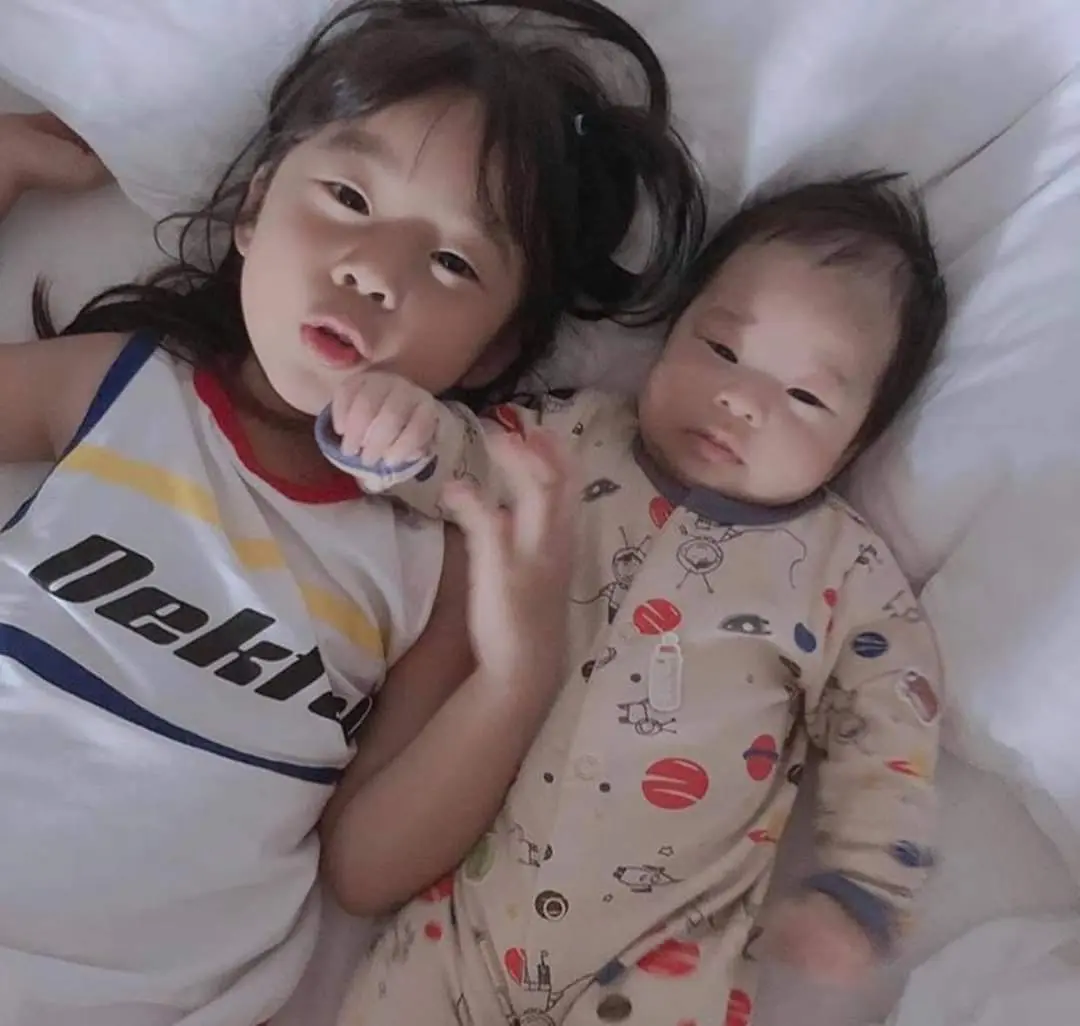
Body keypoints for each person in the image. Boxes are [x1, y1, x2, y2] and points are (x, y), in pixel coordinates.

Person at [0, 1, 706, 1023]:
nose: (374, 271)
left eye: (454, 262)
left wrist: (519, 672)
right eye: (347, 196)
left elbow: (364, 869)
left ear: (495, 353)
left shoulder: (438, 550)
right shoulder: (124, 390)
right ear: (254, 209)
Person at [322, 172, 948, 1025]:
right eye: (720, 349)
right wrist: (395, 429)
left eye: (805, 397)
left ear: (854, 446)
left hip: (662, 962)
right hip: (456, 917)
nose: (739, 399)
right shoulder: (572, 440)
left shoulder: (846, 576)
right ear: (673, 330)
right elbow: (459, 463)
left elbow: (892, 730)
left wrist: (864, 889)